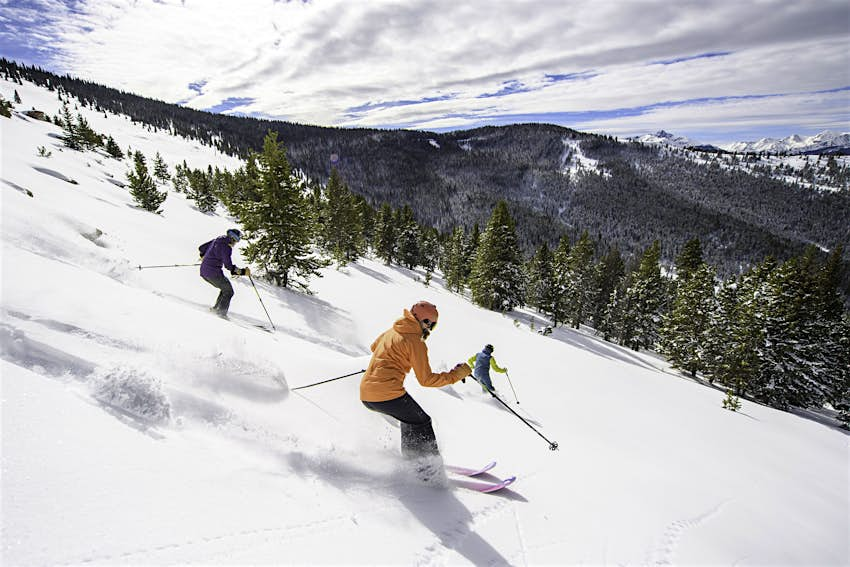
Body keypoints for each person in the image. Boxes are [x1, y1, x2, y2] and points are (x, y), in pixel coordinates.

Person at [361, 300, 472, 485]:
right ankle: (429, 471)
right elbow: (426, 380)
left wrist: (391, 357)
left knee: (411, 419)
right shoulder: (415, 341)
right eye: (432, 325)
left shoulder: (394, 330)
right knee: (422, 421)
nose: (430, 329)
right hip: (386, 392)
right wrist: (456, 374)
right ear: (425, 321)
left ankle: (413, 460)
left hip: (367, 393)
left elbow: (374, 348)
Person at [198, 228, 250, 319]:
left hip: (204, 271)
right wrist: (243, 272)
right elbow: (228, 266)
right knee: (229, 291)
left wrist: (204, 257)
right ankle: (221, 314)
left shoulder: (217, 240)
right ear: (233, 238)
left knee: (225, 288)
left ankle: (216, 309)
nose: (235, 243)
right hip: (213, 273)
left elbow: (201, 248)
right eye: (237, 240)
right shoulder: (226, 247)